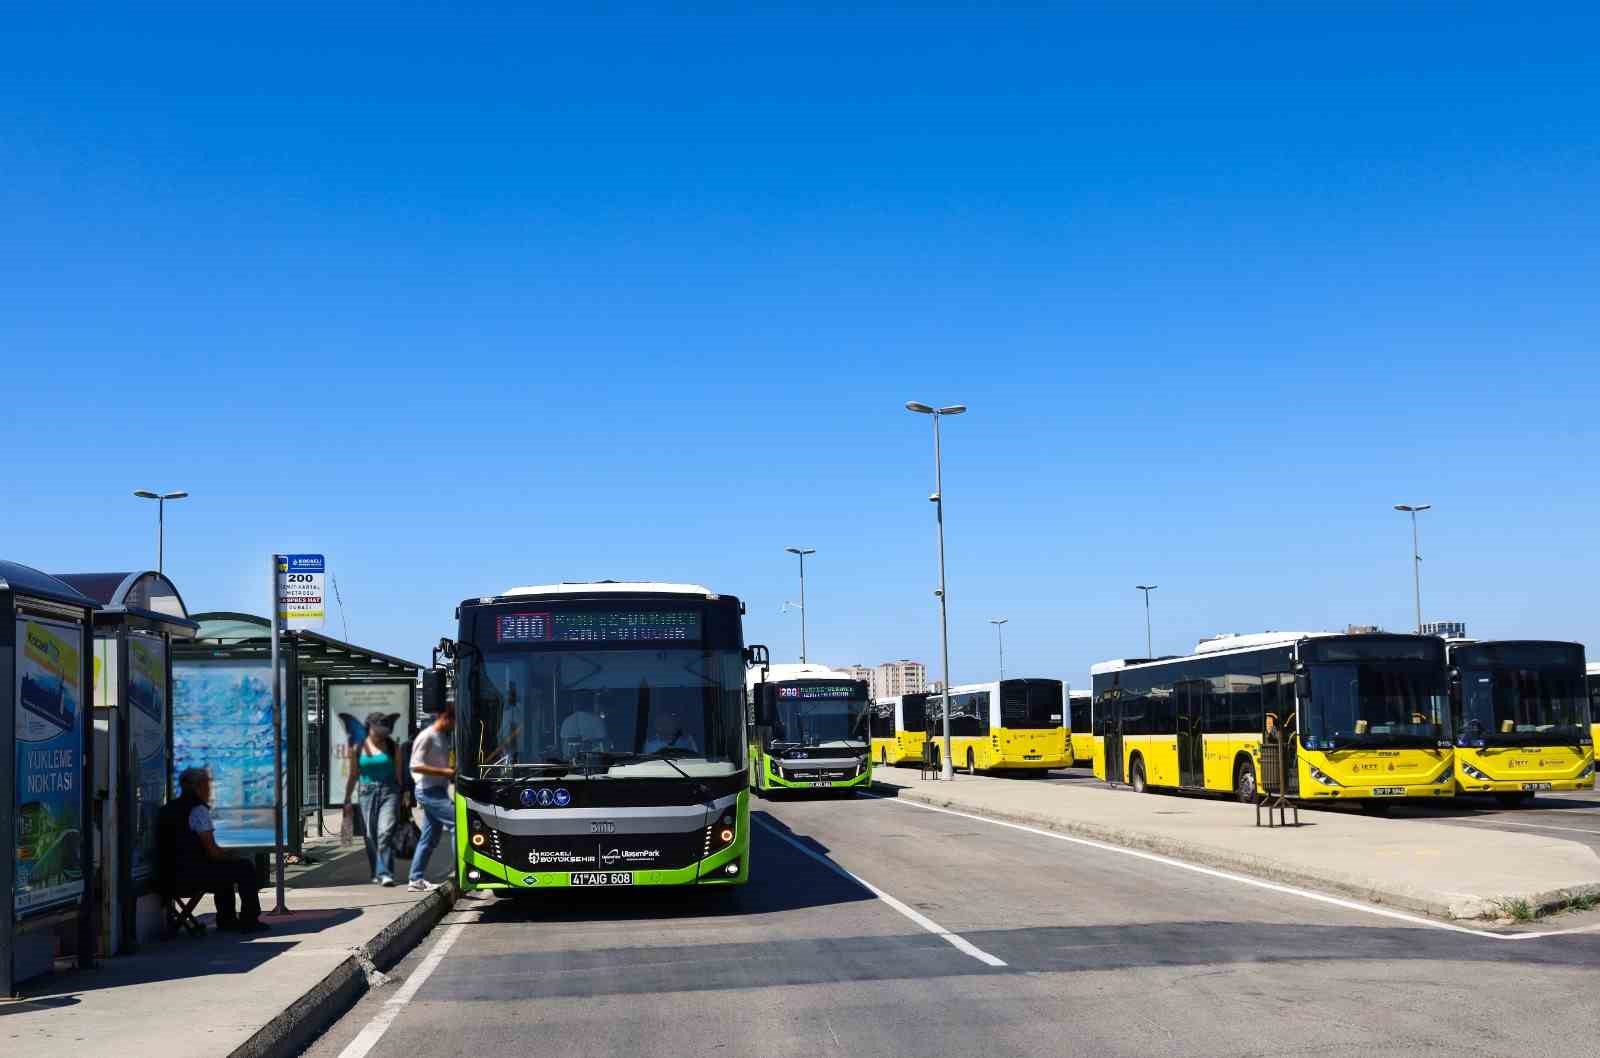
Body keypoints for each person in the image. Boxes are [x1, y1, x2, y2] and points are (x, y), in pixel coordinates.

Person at [173, 767, 268, 933]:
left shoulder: (171, 808)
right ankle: (249, 919)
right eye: (208, 784)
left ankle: (227, 919)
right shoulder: (198, 811)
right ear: (198, 787)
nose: (210, 789)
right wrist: (230, 855)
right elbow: (212, 851)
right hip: (190, 876)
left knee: (225, 869)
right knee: (243, 867)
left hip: (171, 874)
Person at [343, 711, 406, 886]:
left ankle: (384, 873)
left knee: (384, 832)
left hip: (389, 791)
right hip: (366, 794)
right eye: (379, 729)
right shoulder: (358, 748)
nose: (382, 733)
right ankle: (377, 871)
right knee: (371, 836)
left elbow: (399, 775)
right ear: (369, 727)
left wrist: (404, 796)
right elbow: (353, 774)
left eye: (385, 730)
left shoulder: (394, 747)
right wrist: (347, 799)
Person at [407, 704, 455, 892]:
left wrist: (449, 771)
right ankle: (461, 869)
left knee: (429, 837)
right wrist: (443, 771)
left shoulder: (442, 737)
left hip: (438, 790)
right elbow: (415, 766)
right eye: (454, 721)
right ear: (445, 717)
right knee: (458, 823)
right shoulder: (427, 736)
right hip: (428, 791)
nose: (454, 726)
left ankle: (415, 879)